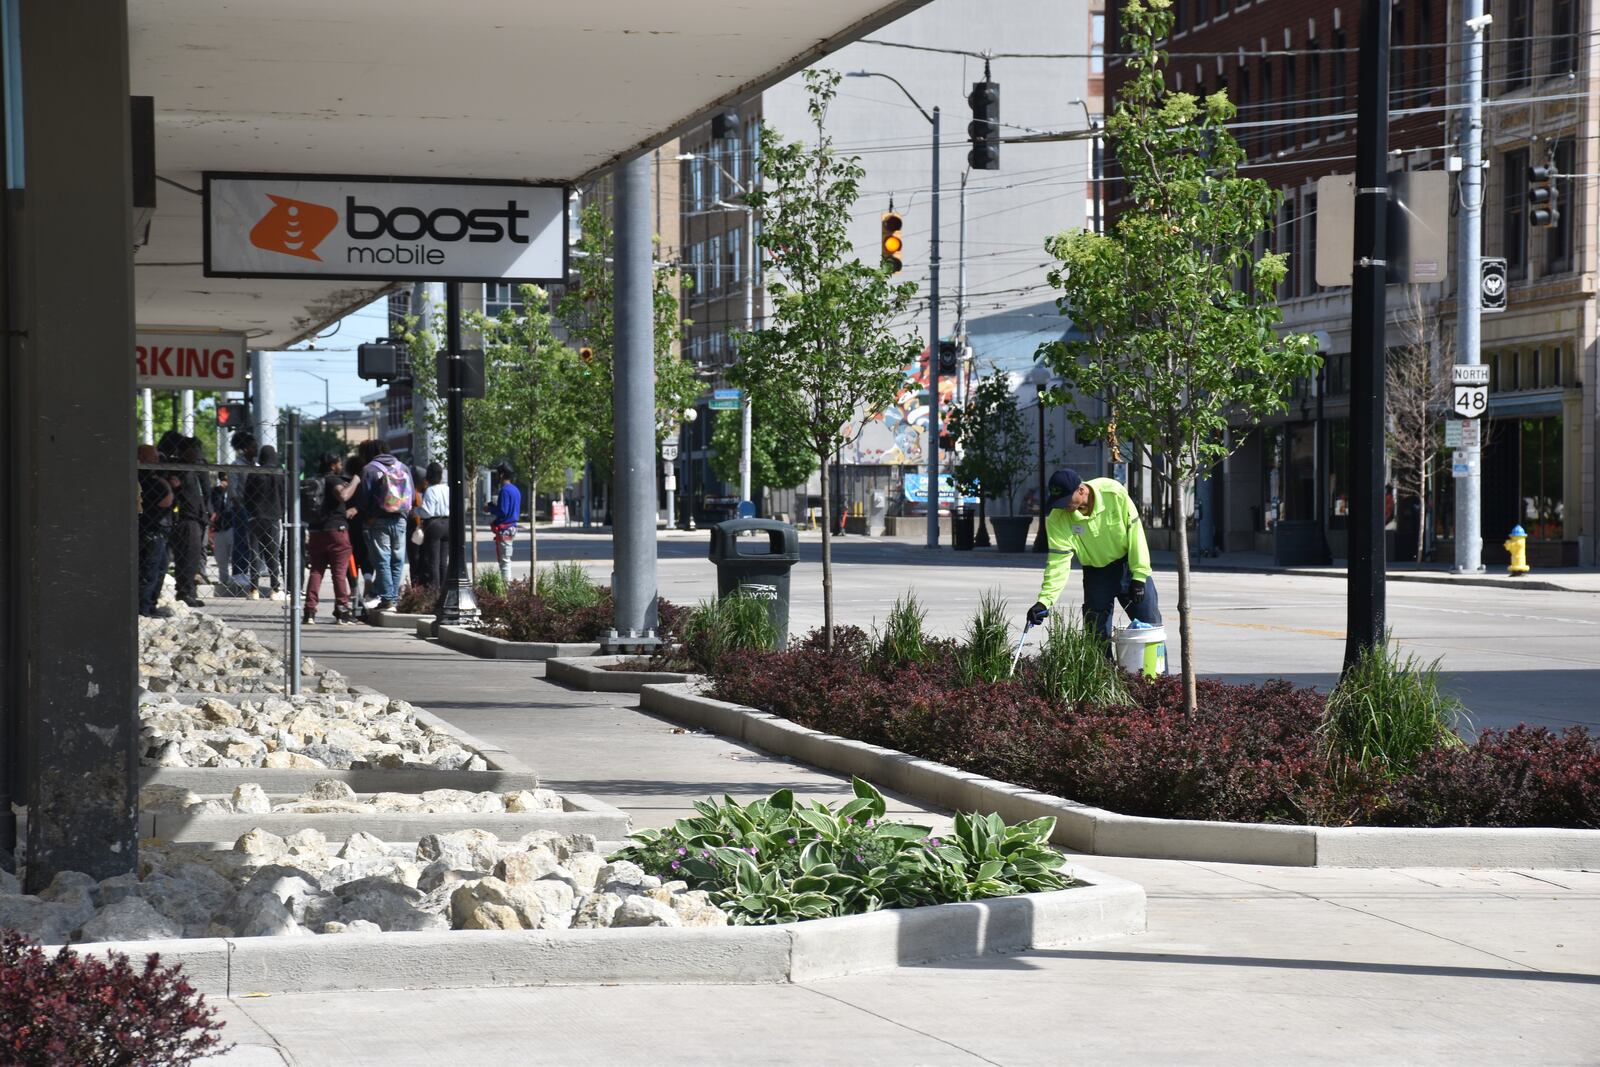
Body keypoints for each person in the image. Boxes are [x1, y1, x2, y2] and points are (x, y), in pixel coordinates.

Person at [1027, 468, 1161, 647]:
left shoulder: (1113, 493)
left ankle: (1158, 675)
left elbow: (1135, 535)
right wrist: (1044, 602)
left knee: (1150, 630)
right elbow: (1058, 563)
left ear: (1081, 490)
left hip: (1129, 567)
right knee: (1096, 639)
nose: (1063, 506)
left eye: (1066, 500)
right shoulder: (1057, 518)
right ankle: (1104, 673)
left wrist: (1139, 576)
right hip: (1096, 575)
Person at [303, 451, 358, 624]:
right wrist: (355, 480)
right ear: (333, 465)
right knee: (339, 573)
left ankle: (309, 611)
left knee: (316, 571)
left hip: (315, 532)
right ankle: (342, 610)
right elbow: (343, 495)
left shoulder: (314, 481)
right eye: (339, 463)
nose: (341, 465)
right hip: (336, 532)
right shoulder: (333, 480)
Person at [359, 439, 413, 610]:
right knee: (397, 560)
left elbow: (364, 499)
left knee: (382, 560)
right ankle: (393, 599)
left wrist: (367, 518)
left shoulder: (369, 469)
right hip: (400, 519)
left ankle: (388, 599)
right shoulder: (403, 467)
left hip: (378, 520)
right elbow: (410, 495)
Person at [168, 436, 210, 608]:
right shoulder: (178, 469)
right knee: (186, 557)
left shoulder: (197, 469)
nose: (197, 454)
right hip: (185, 518)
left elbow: (205, 492)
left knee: (194, 557)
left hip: (198, 518)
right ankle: (184, 592)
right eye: (194, 450)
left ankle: (190, 591)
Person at [137, 444, 175, 618]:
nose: (157, 460)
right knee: (149, 571)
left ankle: (150, 605)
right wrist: (167, 488)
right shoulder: (144, 478)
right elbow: (164, 501)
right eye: (153, 458)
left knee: (160, 568)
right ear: (142, 459)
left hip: (160, 528)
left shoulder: (156, 477)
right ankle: (143, 608)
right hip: (151, 529)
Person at [246, 444, 285, 600]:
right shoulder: (279, 473)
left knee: (254, 553)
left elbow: (246, 496)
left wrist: (251, 511)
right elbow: (284, 496)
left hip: (255, 518)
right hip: (273, 518)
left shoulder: (255, 473)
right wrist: (281, 512)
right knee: (272, 554)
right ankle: (275, 589)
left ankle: (253, 589)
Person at [415, 461, 450, 591]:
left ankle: (434, 591)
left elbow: (427, 511)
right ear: (440, 475)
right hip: (448, 524)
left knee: (433, 560)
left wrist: (416, 511)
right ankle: (445, 588)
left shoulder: (430, 490)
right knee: (443, 560)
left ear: (428, 476)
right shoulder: (447, 489)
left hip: (434, 524)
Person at [485, 463, 521, 584]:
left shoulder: (504, 490)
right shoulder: (515, 490)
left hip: (505, 529)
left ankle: (506, 588)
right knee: (505, 559)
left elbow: (503, 511)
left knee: (504, 561)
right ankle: (506, 587)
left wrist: (490, 508)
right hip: (511, 528)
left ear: (501, 475)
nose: (496, 477)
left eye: (496, 474)